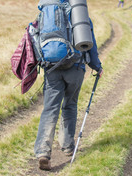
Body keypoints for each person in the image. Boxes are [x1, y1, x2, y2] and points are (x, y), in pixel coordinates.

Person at [34, 19, 103, 171]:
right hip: (76, 67)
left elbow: (35, 35)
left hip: (52, 67)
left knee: (50, 109)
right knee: (70, 105)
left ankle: (43, 152)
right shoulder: (80, 13)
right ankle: (67, 146)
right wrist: (97, 66)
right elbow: (90, 44)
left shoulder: (48, 12)